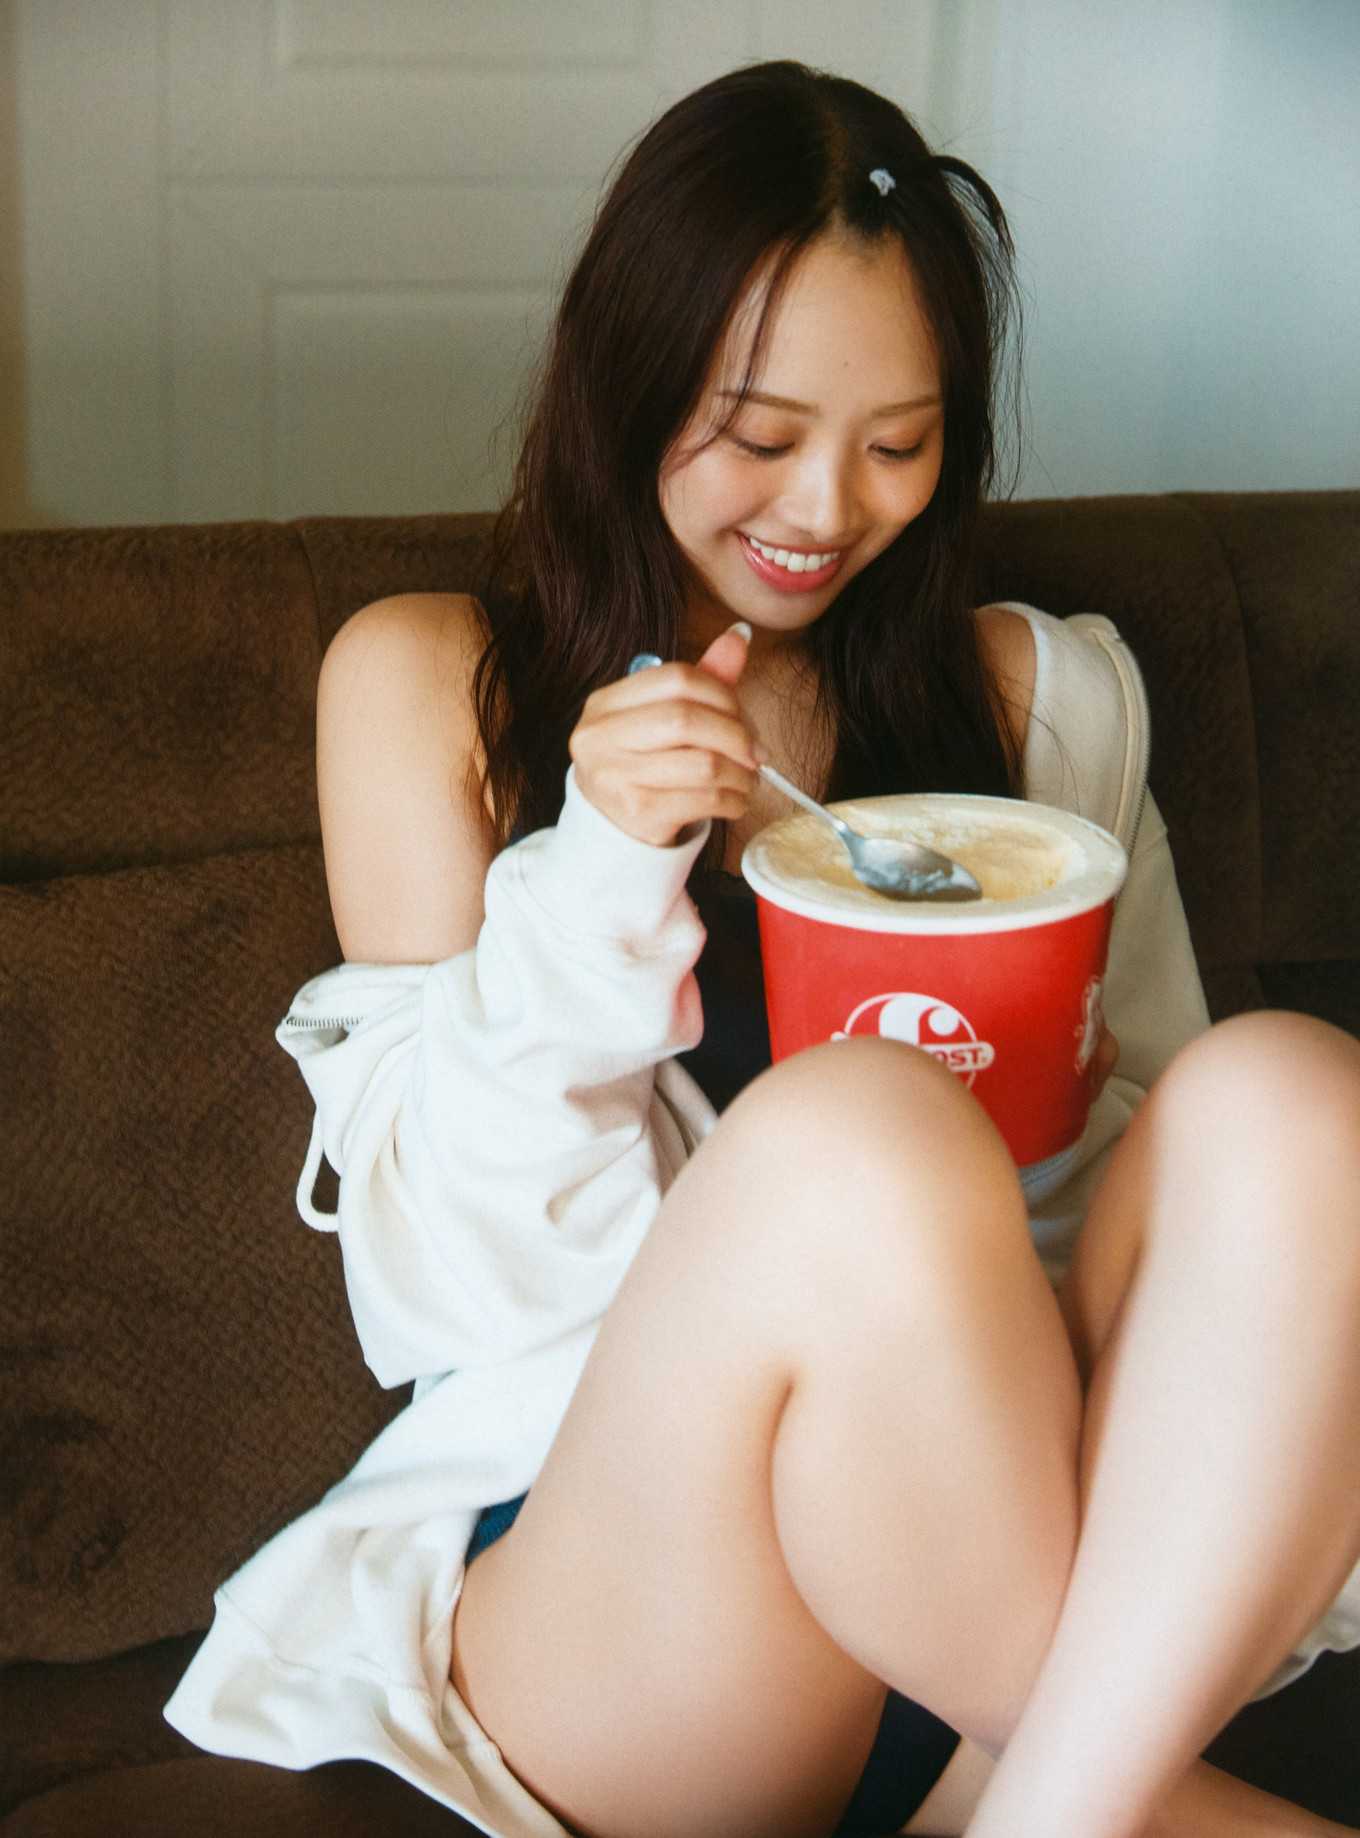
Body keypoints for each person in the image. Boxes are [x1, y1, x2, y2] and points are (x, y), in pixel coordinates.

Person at [165, 60, 1360, 1838]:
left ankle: (1047, 1805)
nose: (822, 507)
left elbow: (1223, 1270)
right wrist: (600, 866)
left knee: (1300, 1097)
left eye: (898, 444)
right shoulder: (434, 688)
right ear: (630, 382)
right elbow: (459, 1300)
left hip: (993, 1561)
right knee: (859, 1129)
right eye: (758, 430)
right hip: (656, 1586)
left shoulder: (1052, 699)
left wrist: (1079, 1107)